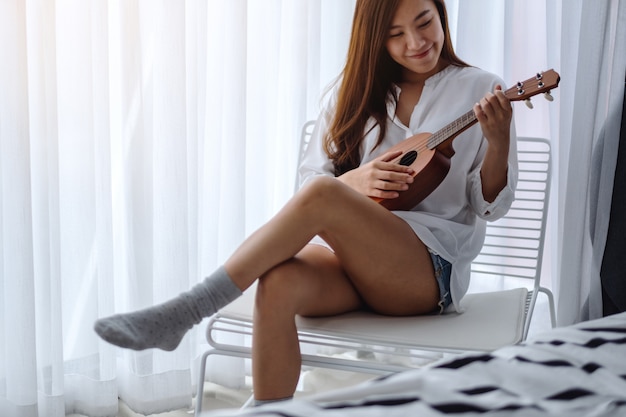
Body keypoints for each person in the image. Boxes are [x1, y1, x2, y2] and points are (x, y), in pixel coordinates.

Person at [95, 0, 517, 405]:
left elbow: (489, 208)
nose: (415, 42)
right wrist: (355, 181)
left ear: (441, 12)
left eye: (425, 22)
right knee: (278, 283)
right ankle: (270, 408)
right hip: (349, 264)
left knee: (325, 194)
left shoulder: (481, 89)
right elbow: (311, 186)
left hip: (426, 273)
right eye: (395, 34)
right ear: (373, 39)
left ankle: (190, 308)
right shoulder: (353, 94)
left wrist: (497, 143)